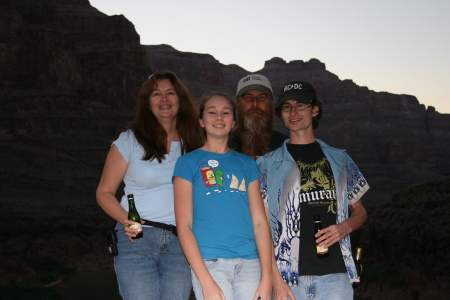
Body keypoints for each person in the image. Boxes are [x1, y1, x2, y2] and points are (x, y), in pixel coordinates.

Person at [96, 71, 203, 300]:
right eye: (156, 94)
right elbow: (104, 193)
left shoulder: (196, 144)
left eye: (170, 93)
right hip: (137, 240)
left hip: (181, 242)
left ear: (180, 100)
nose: (164, 99)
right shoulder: (129, 140)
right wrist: (127, 220)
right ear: (148, 103)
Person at [257, 81, 369, 300]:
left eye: (301, 105)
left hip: (335, 279)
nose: (294, 112)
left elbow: (360, 211)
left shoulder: (340, 159)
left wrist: (344, 227)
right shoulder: (265, 165)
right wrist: (275, 280)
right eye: (287, 106)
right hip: (287, 279)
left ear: (315, 109)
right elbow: (259, 227)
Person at [173, 91, 273, 300]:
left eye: (226, 113)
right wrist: (205, 281)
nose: (219, 117)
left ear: (234, 122)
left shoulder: (247, 164)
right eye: (212, 112)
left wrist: (267, 277)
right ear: (201, 121)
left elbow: (260, 222)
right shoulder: (187, 163)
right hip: (211, 264)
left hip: (251, 265)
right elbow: (184, 226)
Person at [229, 74, 288, 158]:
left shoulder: (285, 146)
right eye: (248, 97)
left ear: (271, 103)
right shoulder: (223, 146)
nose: (255, 103)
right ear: (237, 104)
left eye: (262, 97)